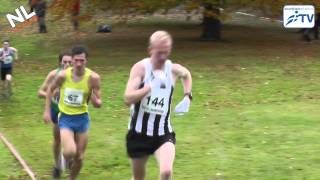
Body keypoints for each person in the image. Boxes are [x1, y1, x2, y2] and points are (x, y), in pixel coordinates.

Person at [124, 31, 193, 180]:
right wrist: (148, 88)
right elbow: (128, 98)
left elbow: (186, 74)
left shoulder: (173, 69)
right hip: (139, 134)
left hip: (163, 132)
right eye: (159, 53)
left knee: (166, 172)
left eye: (166, 53)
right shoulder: (140, 69)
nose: (162, 57)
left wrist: (188, 95)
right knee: (138, 177)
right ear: (150, 50)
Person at [43, 46, 102, 180]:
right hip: (65, 118)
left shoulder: (93, 78)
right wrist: (47, 111)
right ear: (73, 60)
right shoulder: (63, 76)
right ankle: (60, 164)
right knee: (70, 151)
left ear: (86, 60)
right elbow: (49, 90)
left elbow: (98, 103)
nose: (79, 64)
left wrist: (94, 97)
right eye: (76, 60)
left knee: (80, 157)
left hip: (82, 119)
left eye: (82, 60)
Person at [38, 51, 73, 178]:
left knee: (72, 139)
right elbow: (40, 92)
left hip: (72, 111)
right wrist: (51, 94)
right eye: (65, 62)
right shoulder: (53, 74)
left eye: (70, 62)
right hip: (56, 111)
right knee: (58, 139)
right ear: (60, 63)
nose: (67, 64)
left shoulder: (77, 75)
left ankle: (68, 159)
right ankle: (57, 165)